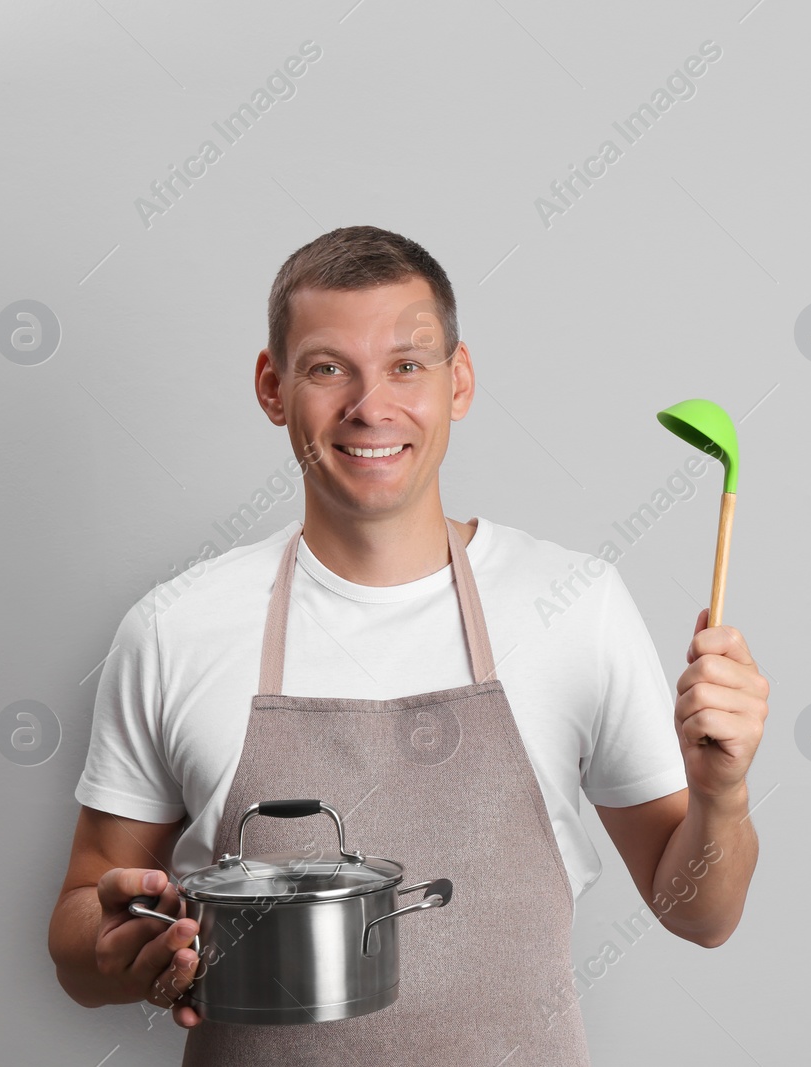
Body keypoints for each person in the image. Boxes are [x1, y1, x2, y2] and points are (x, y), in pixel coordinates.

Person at [46, 225, 768, 1064]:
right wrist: (115, 953)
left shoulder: (577, 606)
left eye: (407, 365)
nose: (370, 406)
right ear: (272, 387)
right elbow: (77, 931)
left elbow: (700, 914)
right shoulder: (175, 629)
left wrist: (724, 792)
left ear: (457, 382)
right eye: (327, 368)